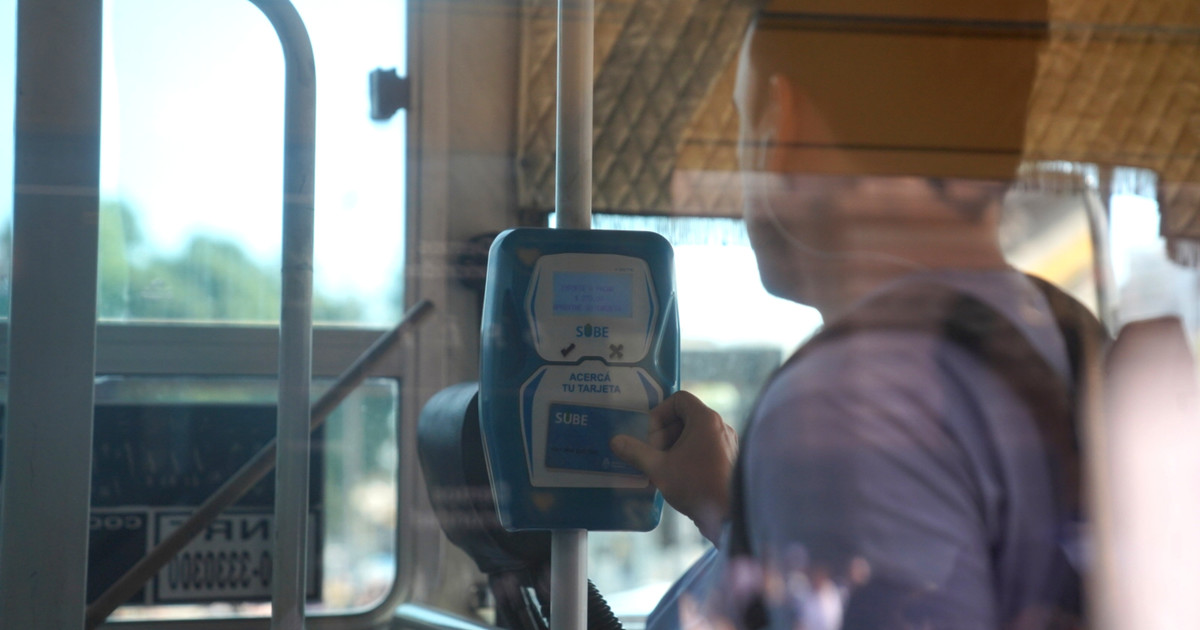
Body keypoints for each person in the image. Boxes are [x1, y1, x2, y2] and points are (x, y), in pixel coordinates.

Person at [609, 1, 1097, 628]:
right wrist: (739, 516)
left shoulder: (849, 401)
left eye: (742, 122)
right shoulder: (1067, 335)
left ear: (782, 126)